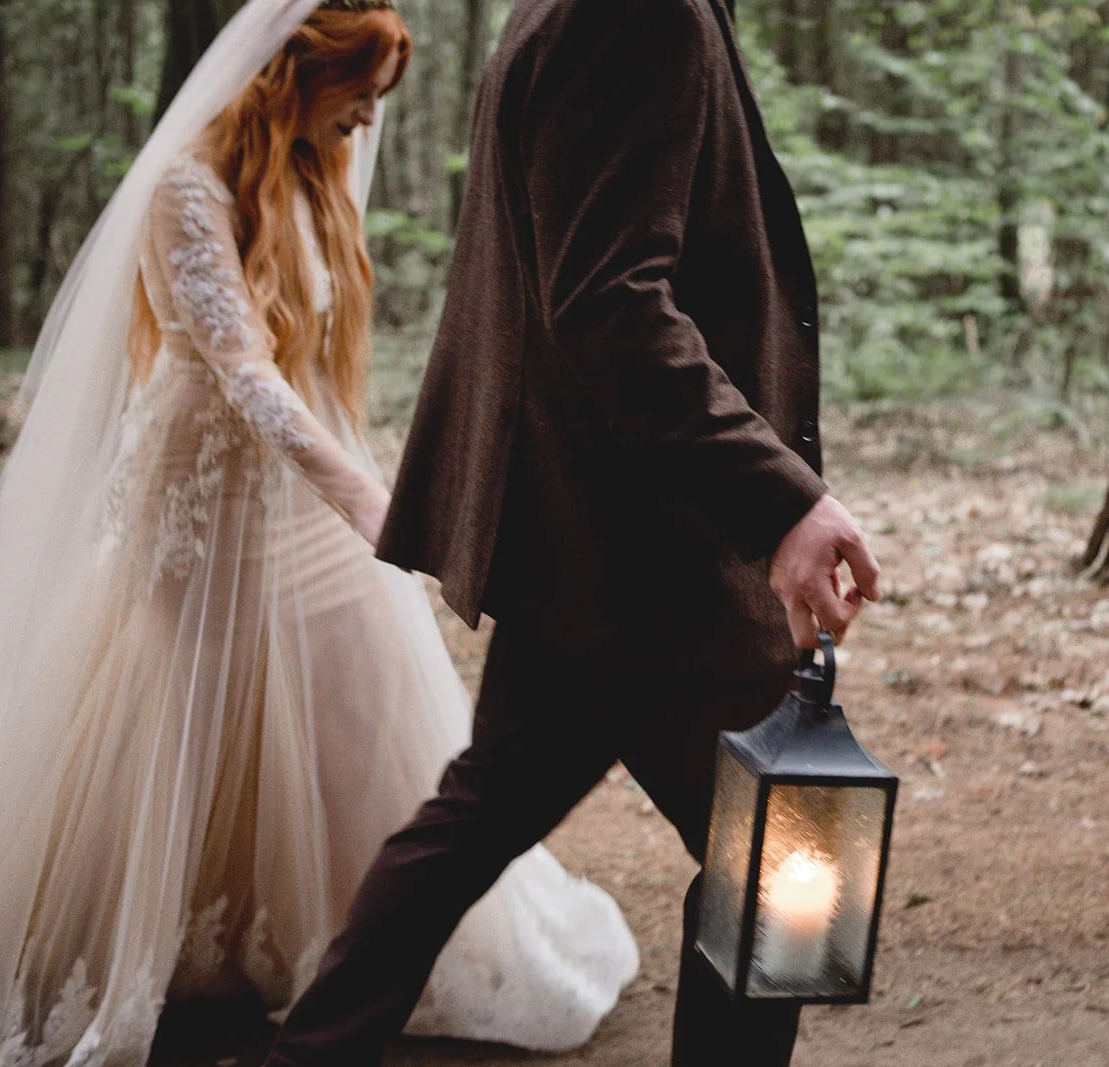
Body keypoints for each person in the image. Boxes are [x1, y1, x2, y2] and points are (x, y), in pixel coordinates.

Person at [0, 3, 638, 1065]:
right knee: (183, 711)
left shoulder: (314, 170)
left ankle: (366, 938)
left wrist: (374, 479)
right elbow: (243, 371)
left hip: (304, 483)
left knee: (358, 690)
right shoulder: (184, 185)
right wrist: (367, 500)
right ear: (294, 75)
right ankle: (144, 932)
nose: (367, 118)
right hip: (203, 490)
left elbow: (311, 360)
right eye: (358, 92)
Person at [263, 0, 882, 1063]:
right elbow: (607, 303)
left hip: (584, 540)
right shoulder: (637, 13)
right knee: (782, 850)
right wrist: (778, 499)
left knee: (479, 812)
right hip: (652, 545)